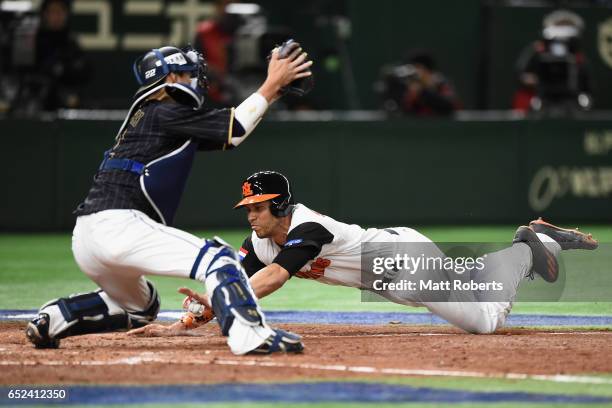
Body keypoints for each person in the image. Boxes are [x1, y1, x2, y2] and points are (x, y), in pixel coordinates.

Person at [25, 46, 313, 355]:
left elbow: (232, 133)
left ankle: (54, 318)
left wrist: (274, 93)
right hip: (120, 226)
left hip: (87, 237)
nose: (195, 80)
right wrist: (270, 85)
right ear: (172, 77)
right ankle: (250, 337)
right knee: (221, 259)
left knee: (140, 306)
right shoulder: (165, 111)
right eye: (189, 74)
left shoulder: (152, 114)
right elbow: (235, 129)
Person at [134, 171, 598, 337]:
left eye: (256, 207)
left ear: (277, 205)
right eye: (247, 208)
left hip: (399, 257)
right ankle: (533, 238)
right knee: (474, 284)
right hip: (383, 276)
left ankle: (529, 249)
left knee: (487, 319)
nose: (250, 215)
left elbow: (272, 279)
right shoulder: (260, 239)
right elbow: (238, 276)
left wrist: (221, 300)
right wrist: (204, 307)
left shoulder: (306, 226)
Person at [3, 0, 90, 114]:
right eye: (52, 12)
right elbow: (18, 74)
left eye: (60, 12)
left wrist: (62, 71)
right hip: (28, 107)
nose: (56, 17)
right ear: (44, 14)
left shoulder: (70, 44)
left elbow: (83, 74)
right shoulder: (29, 39)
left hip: (61, 110)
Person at [512, 9, 592, 113]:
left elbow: (586, 85)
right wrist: (536, 80)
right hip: (541, 100)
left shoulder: (577, 56)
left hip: (570, 103)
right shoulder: (538, 51)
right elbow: (521, 74)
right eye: (559, 27)